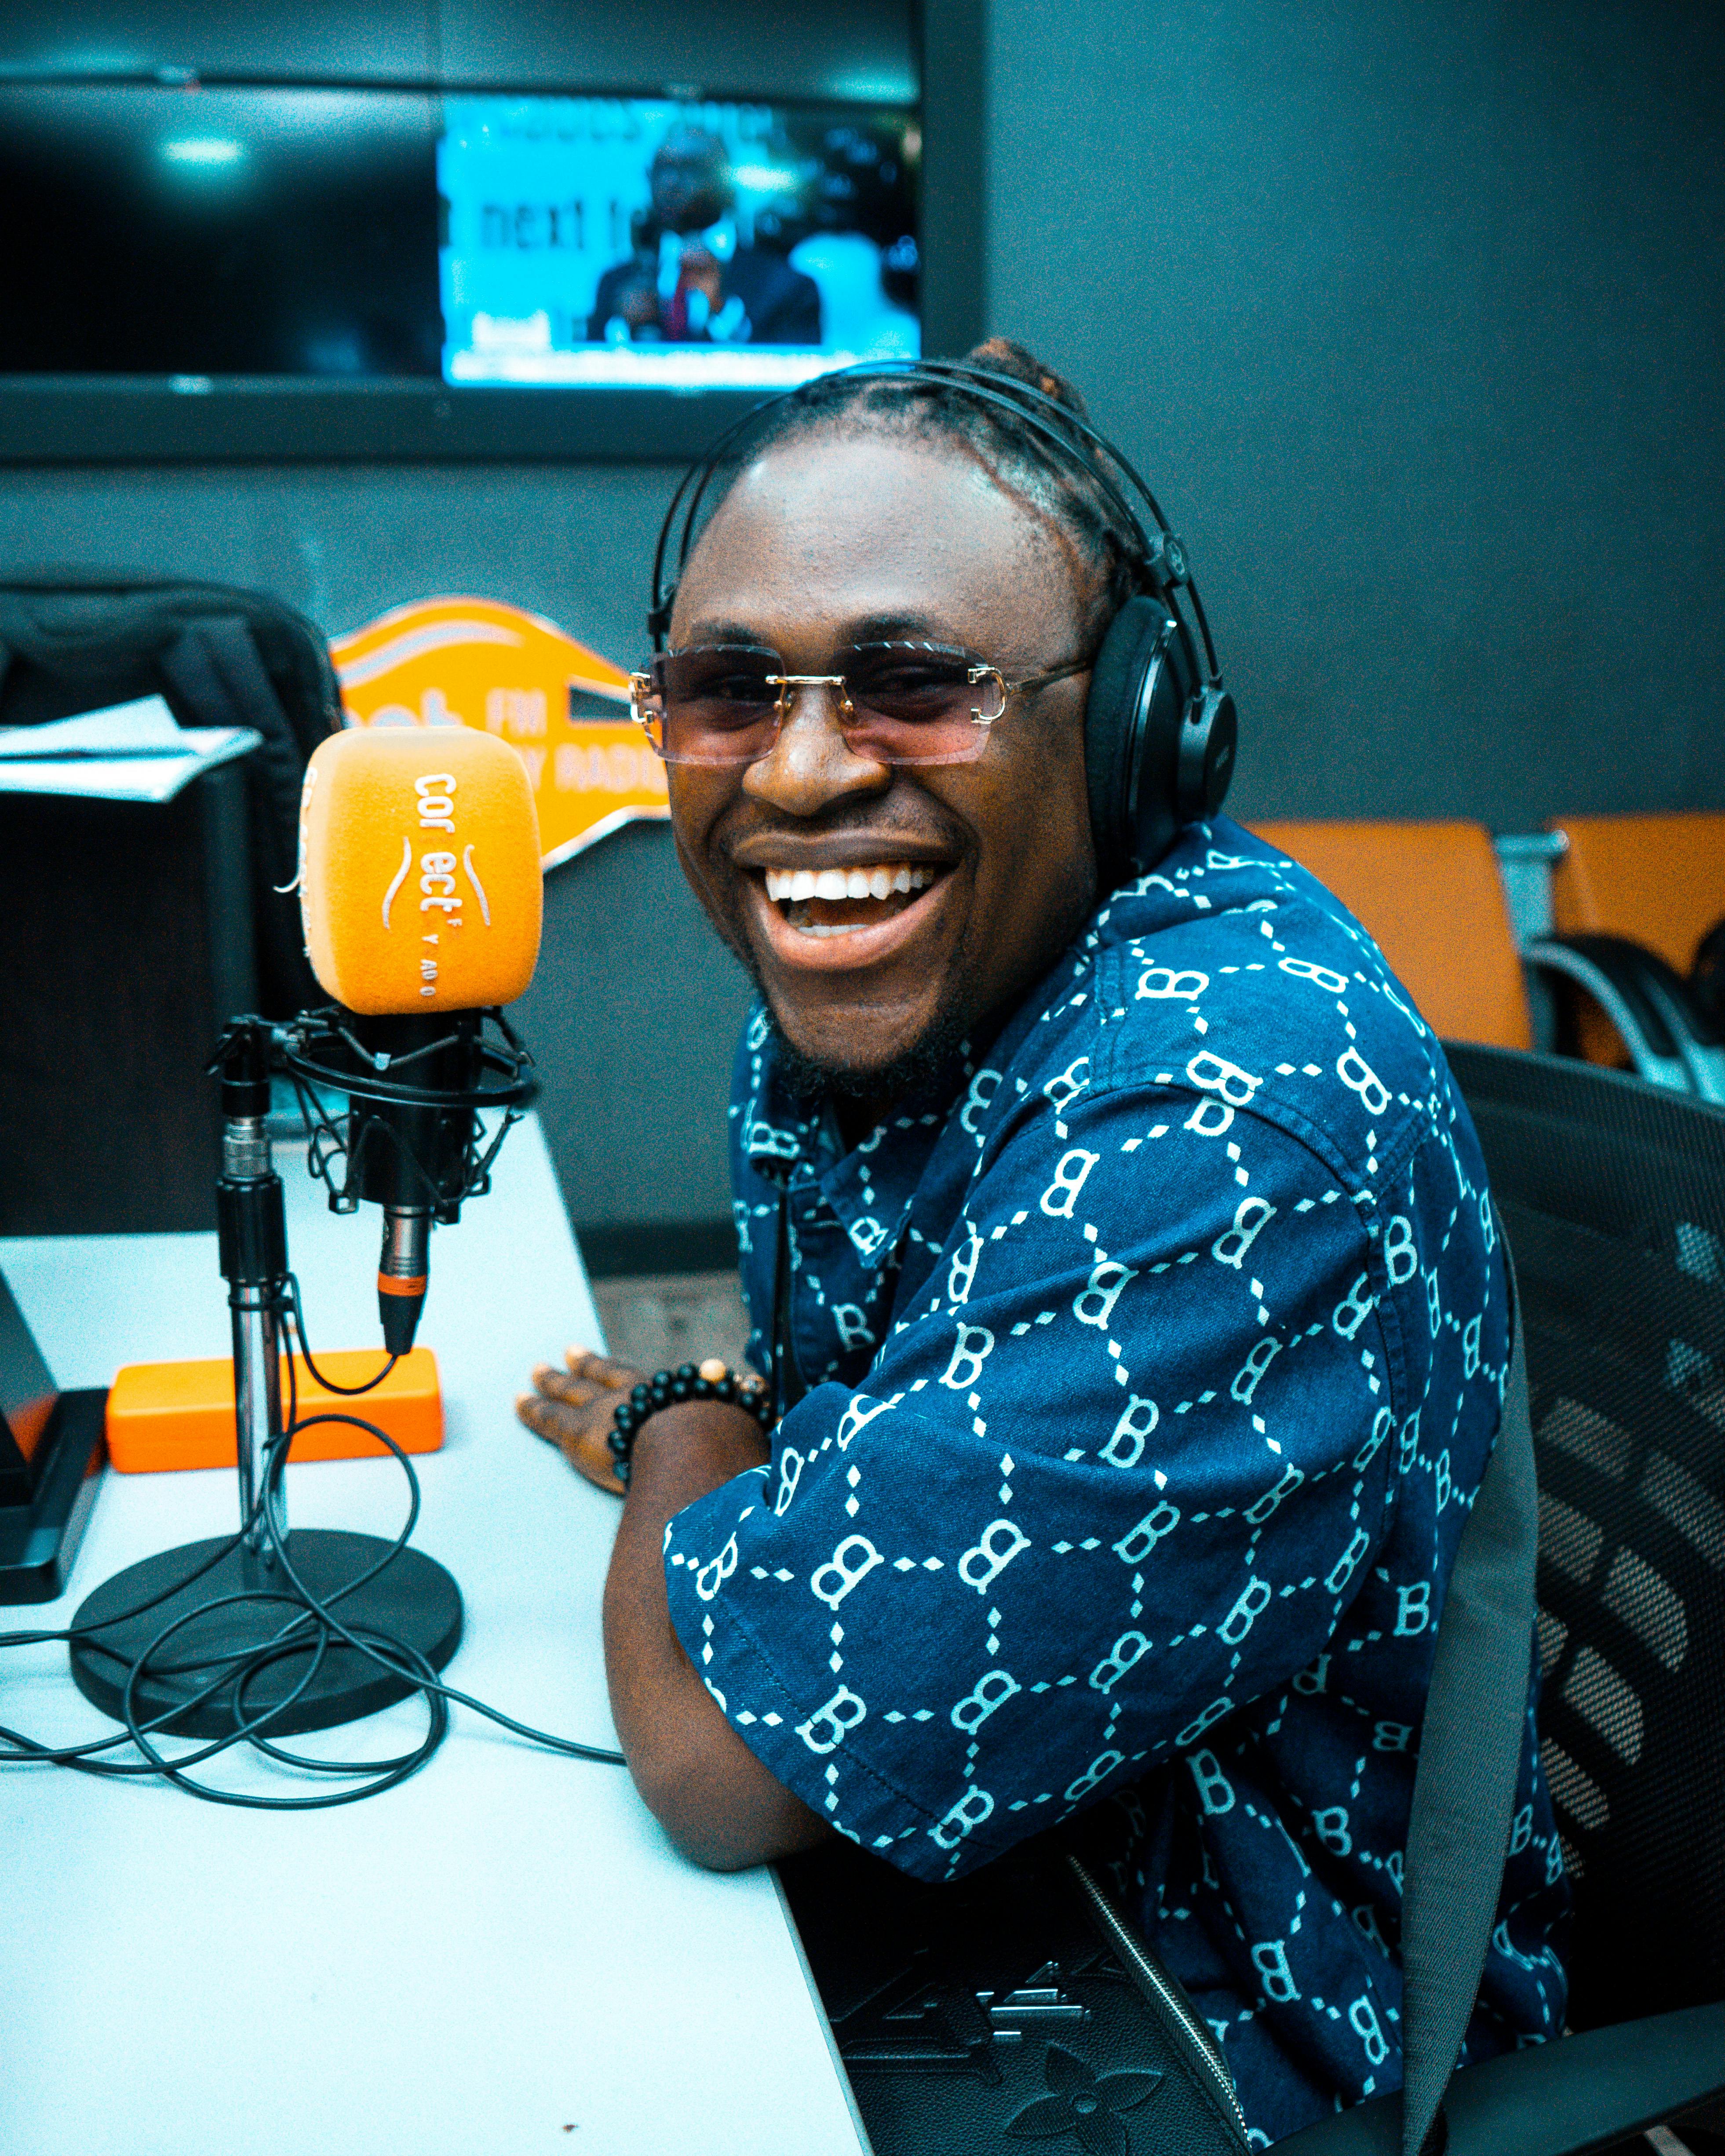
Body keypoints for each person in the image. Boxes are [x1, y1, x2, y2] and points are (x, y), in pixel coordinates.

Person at [516, 342, 1571, 2142]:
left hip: (1237, 2025)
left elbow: (716, 1757)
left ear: (1130, 723)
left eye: (911, 684)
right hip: (1008, 1876)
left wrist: (685, 1423)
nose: (796, 771)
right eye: (720, 689)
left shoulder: (1212, 1141)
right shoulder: (916, 988)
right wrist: (736, 1456)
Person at [587, 127, 821, 348]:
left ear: (727, 182)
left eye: (690, 168)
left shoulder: (785, 286)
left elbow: (799, 383)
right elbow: (591, 380)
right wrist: (625, 329)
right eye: (661, 169)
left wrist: (721, 309)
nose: (670, 183)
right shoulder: (616, 284)